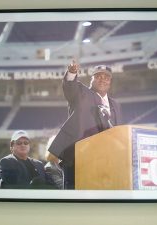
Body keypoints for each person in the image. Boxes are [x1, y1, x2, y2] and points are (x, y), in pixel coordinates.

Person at [47, 61, 122, 189]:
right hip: (77, 157)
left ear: (110, 82)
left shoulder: (115, 105)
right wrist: (71, 73)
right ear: (91, 79)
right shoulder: (82, 93)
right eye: (98, 76)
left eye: (106, 77)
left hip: (105, 160)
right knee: (75, 197)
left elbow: (119, 132)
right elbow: (70, 86)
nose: (102, 79)